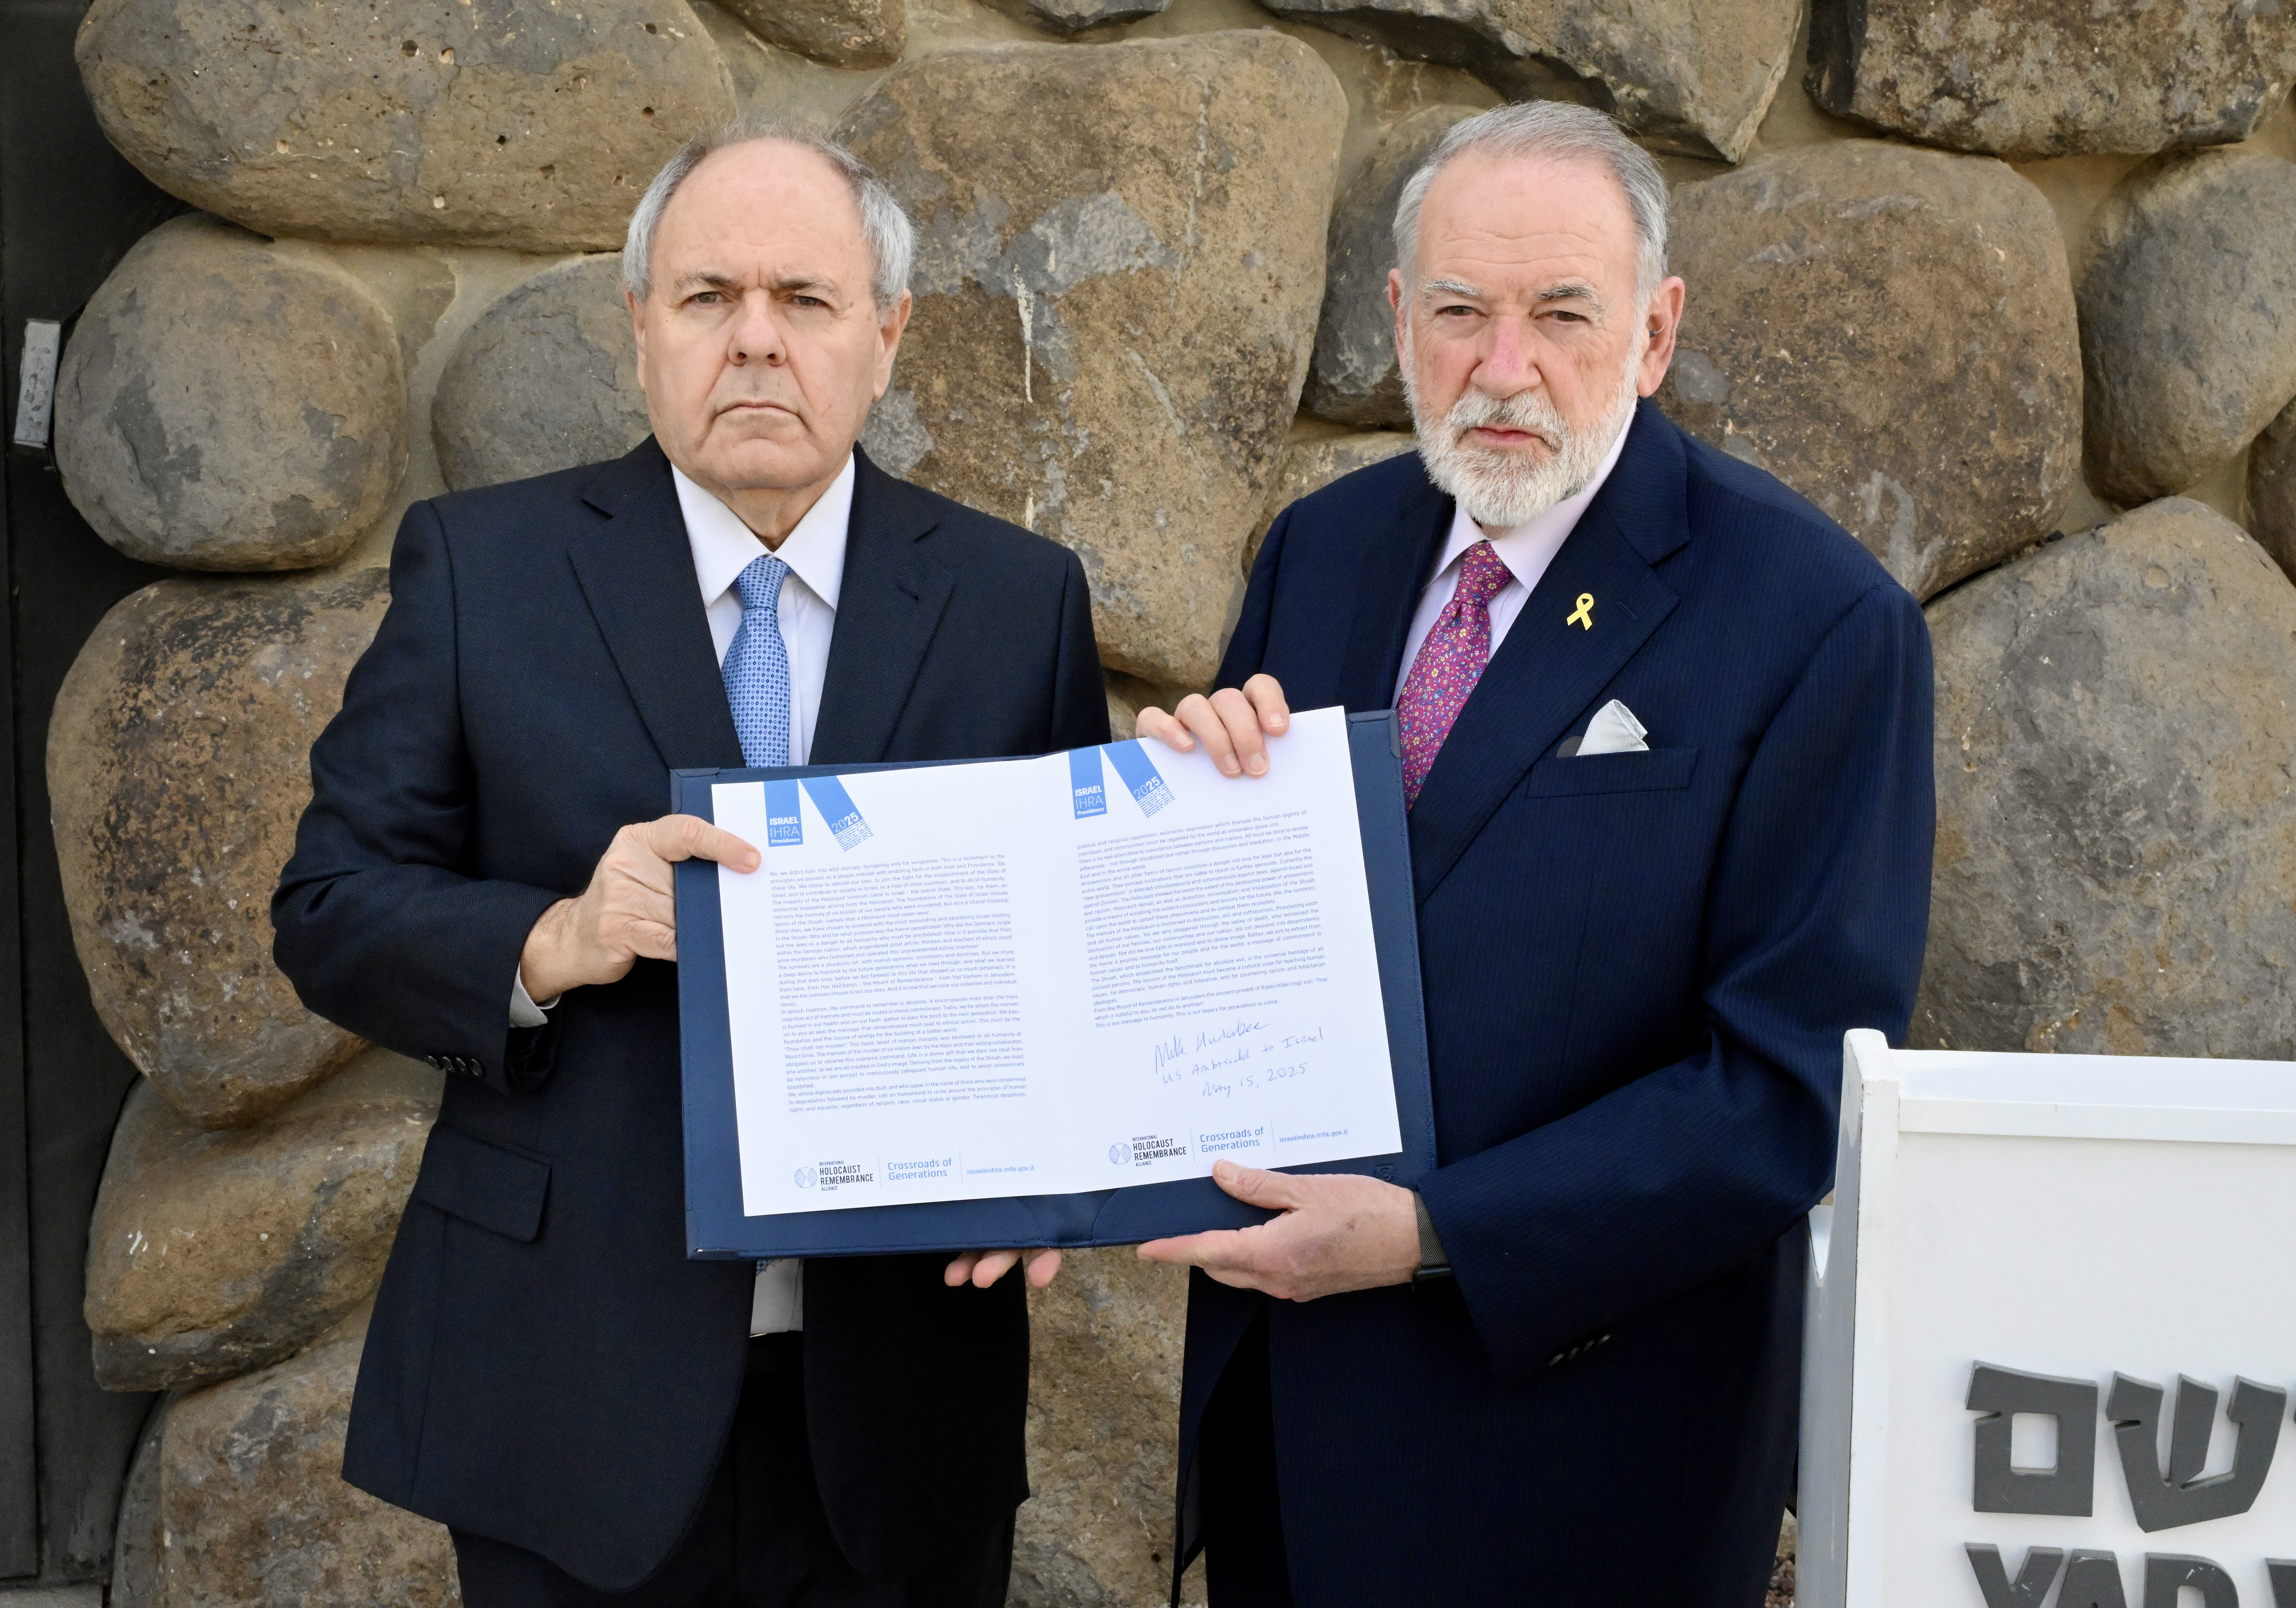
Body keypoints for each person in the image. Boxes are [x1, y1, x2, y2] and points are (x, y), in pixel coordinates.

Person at [273, 122, 1105, 1607]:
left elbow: (1071, 965)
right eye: (710, 297)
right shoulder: (483, 570)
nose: (757, 343)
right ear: (640, 328)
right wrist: (553, 938)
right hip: (569, 1384)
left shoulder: (1015, 600)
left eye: (807, 300)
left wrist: (1067, 1173)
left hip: (905, 1401)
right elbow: (331, 911)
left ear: (889, 335)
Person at [1134, 101, 1934, 1605]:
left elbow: (1785, 1090)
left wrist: (1435, 1236)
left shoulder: (1819, 621)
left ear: (1654, 330)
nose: (1505, 369)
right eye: (1459, 313)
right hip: (1288, 1447)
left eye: (1561, 314)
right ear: (1396, 319)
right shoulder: (1322, 549)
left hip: (1582, 1464)